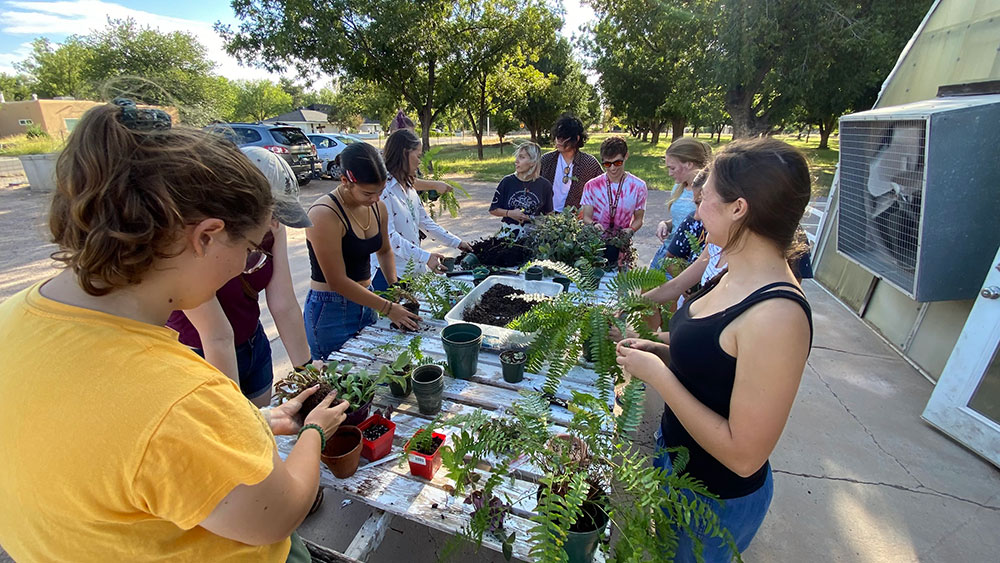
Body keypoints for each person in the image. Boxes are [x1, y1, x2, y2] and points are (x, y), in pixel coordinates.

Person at [0, 102, 349, 561]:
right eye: (247, 250)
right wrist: (315, 434)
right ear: (205, 236)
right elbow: (277, 515)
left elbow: (124, 458)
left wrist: (251, 423)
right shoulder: (180, 399)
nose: (247, 266)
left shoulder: (13, 316)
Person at [616, 137, 813, 562]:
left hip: (714, 500)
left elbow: (744, 456)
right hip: (675, 462)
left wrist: (659, 376)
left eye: (704, 198)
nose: (696, 207)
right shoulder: (733, 267)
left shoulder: (778, 316)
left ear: (738, 208)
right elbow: (711, 352)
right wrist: (655, 346)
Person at [167, 146, 312, 408]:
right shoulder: (195, 241)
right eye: (272, 214)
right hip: (201, 356)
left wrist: (307, 372)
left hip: (253, 344)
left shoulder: (272, 226)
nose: (274, 224)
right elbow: (217, 336)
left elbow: (284, 303)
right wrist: (238, 419)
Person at [305, 142, 419, 360]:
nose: (376, 199)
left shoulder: (378, 208)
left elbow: (384, 251)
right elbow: (337, 281)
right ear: (346, 182)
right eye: (368, 193)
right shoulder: (324, 215)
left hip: (368, 302)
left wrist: (394, 286)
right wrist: (387, 307)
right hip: (330, 310)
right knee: (338, 381)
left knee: (370, 373)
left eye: (380, 191)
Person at [372, 129, 472, 291]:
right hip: (388, 276)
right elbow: (389, 238)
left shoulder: (409, 188)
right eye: (417, 156)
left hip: (411, 272)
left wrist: (458, 243)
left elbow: (425, 223)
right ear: (404, 154)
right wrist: (425, 257)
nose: (420, 162)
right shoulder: (383, 191)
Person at [651, 138, 713, 269]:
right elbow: (681, 220)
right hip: (667, 251)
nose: (669, 173)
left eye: (672, 168)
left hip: (688, 261)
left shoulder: (707, 192)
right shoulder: (679, 187)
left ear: (689, 164)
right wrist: (666, 224)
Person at [580, 136, 647, 234]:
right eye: (607, 164)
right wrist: (593, 224)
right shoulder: (591, 186)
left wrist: (631, 230)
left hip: (621, 242)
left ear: (626, 156)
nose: (612, 168)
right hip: (595, 243)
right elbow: (586, 217)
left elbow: (639, 219)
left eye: (618, 163)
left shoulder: (638, 186)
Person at [539, 113, 603, 211]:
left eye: (563, 138)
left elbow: (603, 190)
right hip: (546, 216)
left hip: (574, 219)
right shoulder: (546, 160)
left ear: (576, 139)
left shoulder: (589, 163)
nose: (558, 141)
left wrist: (588, 210)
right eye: (557, 137)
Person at [489, 141, 553, 229]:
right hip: (509, 233)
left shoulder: (545, 185)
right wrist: (509, 213)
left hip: (534, 235)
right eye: (517, 157)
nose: (516, 161)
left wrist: (529, 218)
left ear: (533, 162)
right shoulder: (507, 182)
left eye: (522, 157)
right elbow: (493, 209)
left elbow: (549, 216)